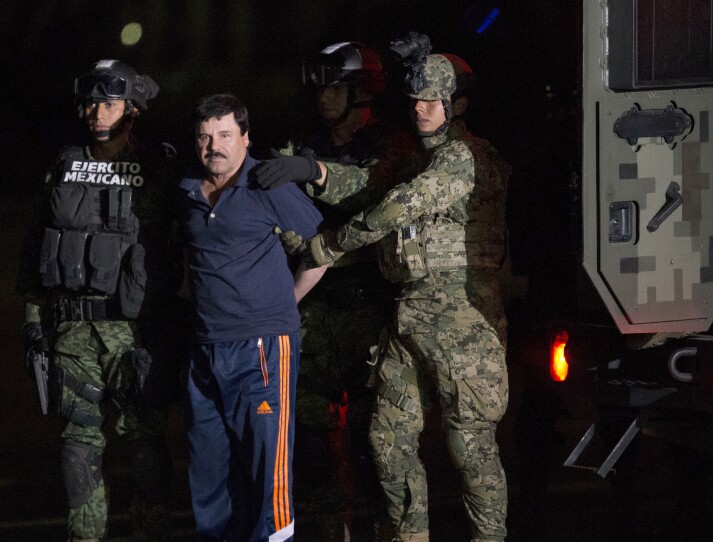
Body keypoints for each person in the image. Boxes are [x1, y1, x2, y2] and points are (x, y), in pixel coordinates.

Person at [305, 49, 512, 542]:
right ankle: (408, 536)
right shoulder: (413, 158)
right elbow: (368, 184)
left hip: (461, 321)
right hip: (411, 314)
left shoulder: (466, 156)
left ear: (455, 105)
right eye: (414, 99)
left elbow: (398, 206)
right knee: (387, 440)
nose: (419, 108)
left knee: (471, 447)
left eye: (431, 100)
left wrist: (332, 244)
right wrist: (313, 172)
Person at [253, 41, 417, 542]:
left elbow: (373, 186)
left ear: (362, 91)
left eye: (334, 86)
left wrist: (313, 172)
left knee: (377, 444)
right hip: (312, 307)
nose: (322, 97)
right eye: (319, 87)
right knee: (310, 441)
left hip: (371, 309)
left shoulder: (393, 145)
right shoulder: (300, 144)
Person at [17, 59, 179, 542]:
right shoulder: (62, 167)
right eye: (90, 102)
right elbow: (35, 253)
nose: (95, 111)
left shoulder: (160, 169)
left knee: (147, 451)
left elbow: (198, 242)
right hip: (71, 334)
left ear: (132, 108)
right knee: (76, 452)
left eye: (107, 102)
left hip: (136, 335)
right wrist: (31, 325)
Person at [175, 93, 323, 542]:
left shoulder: (267, 185)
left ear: (244, 137)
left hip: (261, 349)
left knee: (268, 474)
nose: (213, 146)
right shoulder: (185, 191)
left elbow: (324, 249)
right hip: (205, 352)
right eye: (204, 137)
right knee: (210, 473)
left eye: (224, 135)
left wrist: (287, 302)